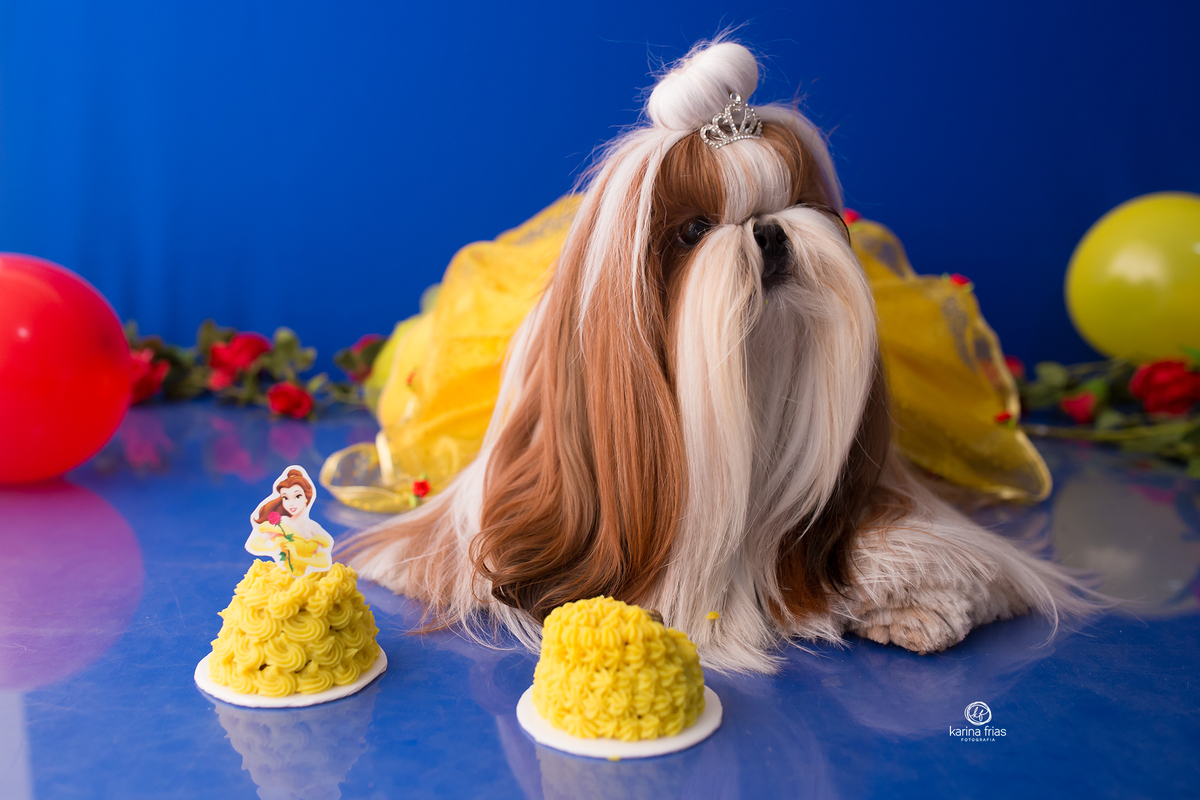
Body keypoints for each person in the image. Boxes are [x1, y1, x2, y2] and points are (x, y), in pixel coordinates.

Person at [245, 467, 334, 576]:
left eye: (297, 496)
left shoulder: (315, 529)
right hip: (284, 579)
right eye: (285, 498)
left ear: (306, 497)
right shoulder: (282, 524)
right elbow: (255, 543)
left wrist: (297, 557)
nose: (291, 503)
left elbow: (324, 561)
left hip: (310, 582)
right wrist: (273, 547)